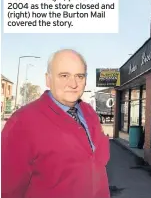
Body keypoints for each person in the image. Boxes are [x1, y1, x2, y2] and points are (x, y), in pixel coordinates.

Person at [1, 49, 110, 198]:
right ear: (48, 79)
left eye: (80, 76)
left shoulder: (89, 113)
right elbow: (8, 190)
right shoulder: (22, 122)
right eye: (64, 76)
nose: (73, 84)